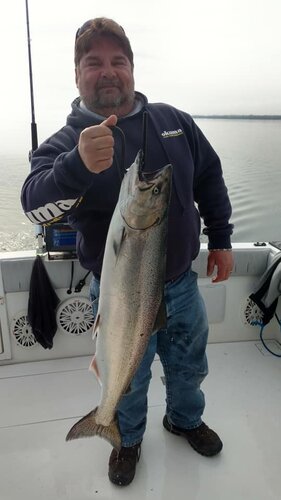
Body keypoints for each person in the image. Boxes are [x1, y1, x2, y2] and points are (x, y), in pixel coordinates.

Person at [21, 17, 234, 487]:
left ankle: (183, 418)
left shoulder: (173, 121)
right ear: (77, 74)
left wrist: (220, 238)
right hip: (118, 295)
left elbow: (209, 177)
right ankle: (126, 436)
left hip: (181, 281)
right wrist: (74, 166)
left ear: (133, 69)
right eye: (93, 62)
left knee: (189, 363)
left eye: (118, 60)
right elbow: (34, 207)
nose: (108, 71)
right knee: (129, 376)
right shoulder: (64, 142)